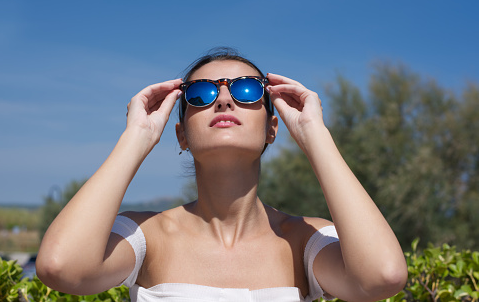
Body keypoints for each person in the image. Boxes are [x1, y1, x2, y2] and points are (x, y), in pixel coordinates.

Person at [36, 48, 407, 302]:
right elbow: (61, 267)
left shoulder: (305, 239)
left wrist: (314, 135)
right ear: (180, 133)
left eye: (247, 89)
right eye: (200, 94)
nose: (224, 100)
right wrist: (137, 138)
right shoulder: (145, 235)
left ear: (272, 128)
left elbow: (382, 277)